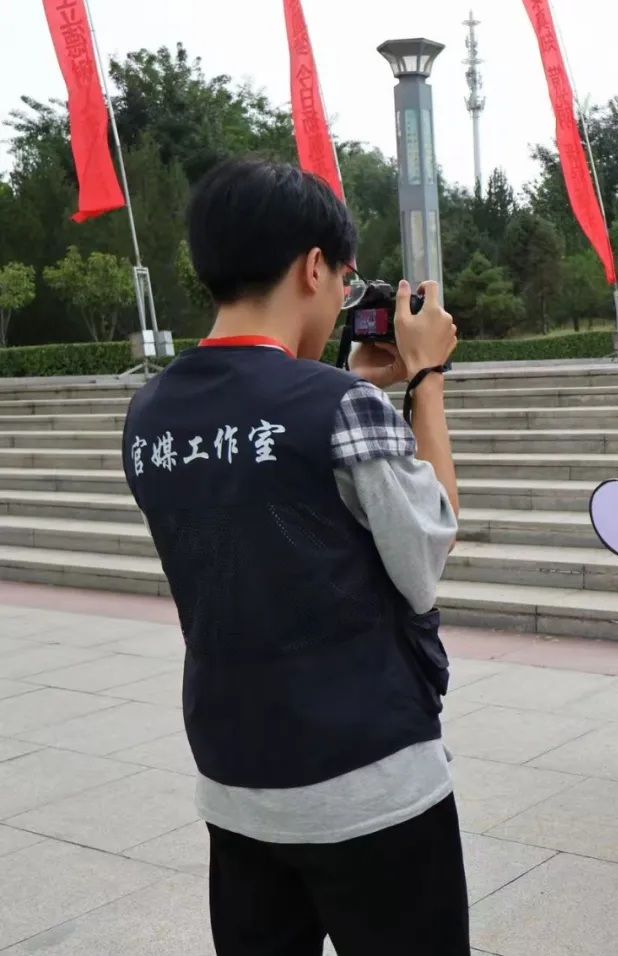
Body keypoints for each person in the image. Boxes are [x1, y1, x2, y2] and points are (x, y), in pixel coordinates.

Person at [121, 158, 469, 954]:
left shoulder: (149, 412)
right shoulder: (342, 406)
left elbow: (263, 484)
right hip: (369, 782)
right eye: (346, 280)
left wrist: (349, 387)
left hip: (235, 777)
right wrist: (426, 381)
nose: (345, 297)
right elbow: (425, 552)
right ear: (315, 267)